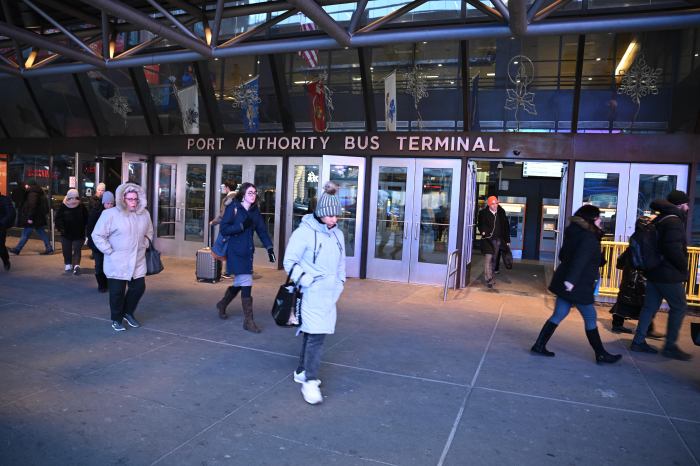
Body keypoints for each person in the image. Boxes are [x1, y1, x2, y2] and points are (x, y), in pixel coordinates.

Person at [531, 204, 622, 364]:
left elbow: (563, 255)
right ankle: (600, 354)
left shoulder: (575, 233)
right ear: (592, 219)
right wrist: (571, 281)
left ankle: (539, 345)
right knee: (590, 316)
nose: (601, 220)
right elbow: (580, 260)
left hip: (567, 282)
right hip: (577, 284)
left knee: (559, 314)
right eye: (599, 217)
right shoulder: (588, 237)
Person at [284, 181, 346, 405]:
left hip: (329, 294)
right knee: (316, 337)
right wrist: (307, 280)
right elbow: (289, 261)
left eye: (336, 216)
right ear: (320, 214)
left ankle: (302, 370)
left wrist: (340, 282)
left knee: (312, 334)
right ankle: (310, 380)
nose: (335, 220)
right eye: (330, 216)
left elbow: (341, 263)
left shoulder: (337, 235)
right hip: (311, 293)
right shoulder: (304, 233)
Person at [631, 190, 693, 361]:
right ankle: (670, 346)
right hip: (668, 273)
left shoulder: (660, 218)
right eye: (686, 204)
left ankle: (638, 341)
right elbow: (672, 248)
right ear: (680, 204)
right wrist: (683, 267)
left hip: (654, 271)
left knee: (649, 307)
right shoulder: (674, 221)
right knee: (679, 306)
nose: (688, 207)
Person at [91, 183, 154, 332]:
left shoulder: (144, 214)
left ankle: (128, 312)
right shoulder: (110, 214)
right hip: (117, 261)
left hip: (137, 260)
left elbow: (149, 232)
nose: (133, 202)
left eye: (135, 199)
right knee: (117, 293)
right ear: (122, 199)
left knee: (139, 288)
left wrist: (144, 244)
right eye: (130, 199)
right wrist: (109, 251)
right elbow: (97, 234)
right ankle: (116, 318)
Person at [215, 182, 275, 331]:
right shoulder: (233, 207)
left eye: (254, 193)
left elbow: (262, 231)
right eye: (250, 193)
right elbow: (224, 228)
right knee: (246, 281)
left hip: (247, 252)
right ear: (243, 194)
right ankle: (248, 321)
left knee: (240, 283)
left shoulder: (255, 211)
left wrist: (269, 248)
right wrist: (241, 226)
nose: (253, 195)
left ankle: (223, 303)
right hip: (235, 251)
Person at [609, 216, 662, 338]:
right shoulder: (645, 238)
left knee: (626, 301)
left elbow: (622, 259)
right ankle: (648, 329)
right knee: (645, 304)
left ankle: (618, 324)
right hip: (638, 277)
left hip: (632, 277)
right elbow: (640, 260)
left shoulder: (637, 237)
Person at [10, 181, 53, 255]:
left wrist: (30, 218)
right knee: (41, 232)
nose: (26, 186)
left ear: (30, 185)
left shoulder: (32, 193)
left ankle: (17, 249)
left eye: (27, 185)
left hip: (33, 218)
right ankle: (49, 248)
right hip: (37, 218)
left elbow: (32, 206)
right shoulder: (38, 192)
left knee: (26, 233)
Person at [477, 195, 510, 288]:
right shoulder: (483, 213)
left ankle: (491, 276)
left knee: (494, 259)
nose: (495, 205)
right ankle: (488, 279)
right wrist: (483, 232)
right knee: (488, 259)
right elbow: (480, 225)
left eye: (496, 203)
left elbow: (506, 227)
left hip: (497, 240)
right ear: (489, 205)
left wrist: (507, 240)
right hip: (487, 240)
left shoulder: (501, 213)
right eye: (493, 204)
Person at [54, 189, 88, 275]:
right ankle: (68, 263)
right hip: (66, 233)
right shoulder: (63, 206)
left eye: (75, 198)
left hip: (79, 233)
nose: (74, 201)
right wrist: (61, 228)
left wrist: (86, 230)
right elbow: (58, 219)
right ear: (68, 198)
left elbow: (87, 219)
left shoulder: (81, 206)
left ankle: (76, 265)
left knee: (77, 249)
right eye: (71, 198)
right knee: (66, 250)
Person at [87, 191, 114, 292]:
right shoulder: (96, 212)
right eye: (108, 203)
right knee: (99, 264)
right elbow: (90, 229)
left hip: (110, 244)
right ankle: (101, 285)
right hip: (97, 244)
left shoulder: (115, 213)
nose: (110, 205)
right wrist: (93, 244)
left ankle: (108, 283)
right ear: (103, 203)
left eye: (112, 203)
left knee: (109, 265)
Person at [210, 180, 238, 279]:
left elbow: (222, 215)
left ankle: (227, 272)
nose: (224, 189)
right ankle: (229, 271)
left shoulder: (227, 199)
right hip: (237, 228)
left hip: (227, 228)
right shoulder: (240, 197)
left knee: (218, 249)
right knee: (230, 248)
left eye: (224, 187)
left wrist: (213, 222)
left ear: (227, 187)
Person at [0, 191, 14, 271]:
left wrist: (2, 222)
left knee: (0, 246)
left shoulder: (4, 200)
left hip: (1, 227)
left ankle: (5, 260)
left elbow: (10, 213)